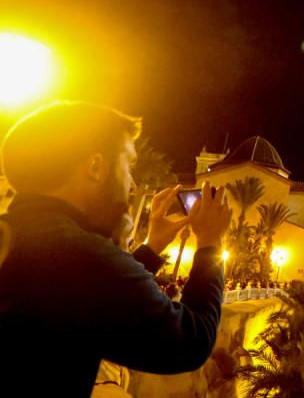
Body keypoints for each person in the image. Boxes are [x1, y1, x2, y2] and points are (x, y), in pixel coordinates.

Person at [0, 101, 233, 397]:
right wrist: (210, 244)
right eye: (128, 164)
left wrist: (151, 248)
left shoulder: (20, 235)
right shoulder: (81, 257)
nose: (133, 182)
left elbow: (93, 299)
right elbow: (192, 340)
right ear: (96, 166)